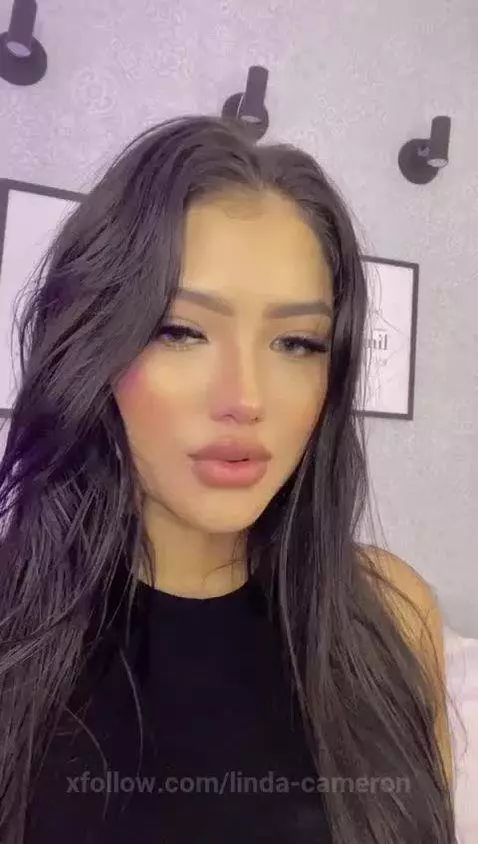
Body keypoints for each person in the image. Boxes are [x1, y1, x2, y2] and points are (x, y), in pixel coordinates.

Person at [0, 114, 455, 844]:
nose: (245, 398)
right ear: (93, 346)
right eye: (181, 331)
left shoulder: (392, 616)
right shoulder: (15, 631)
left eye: (296, 343)